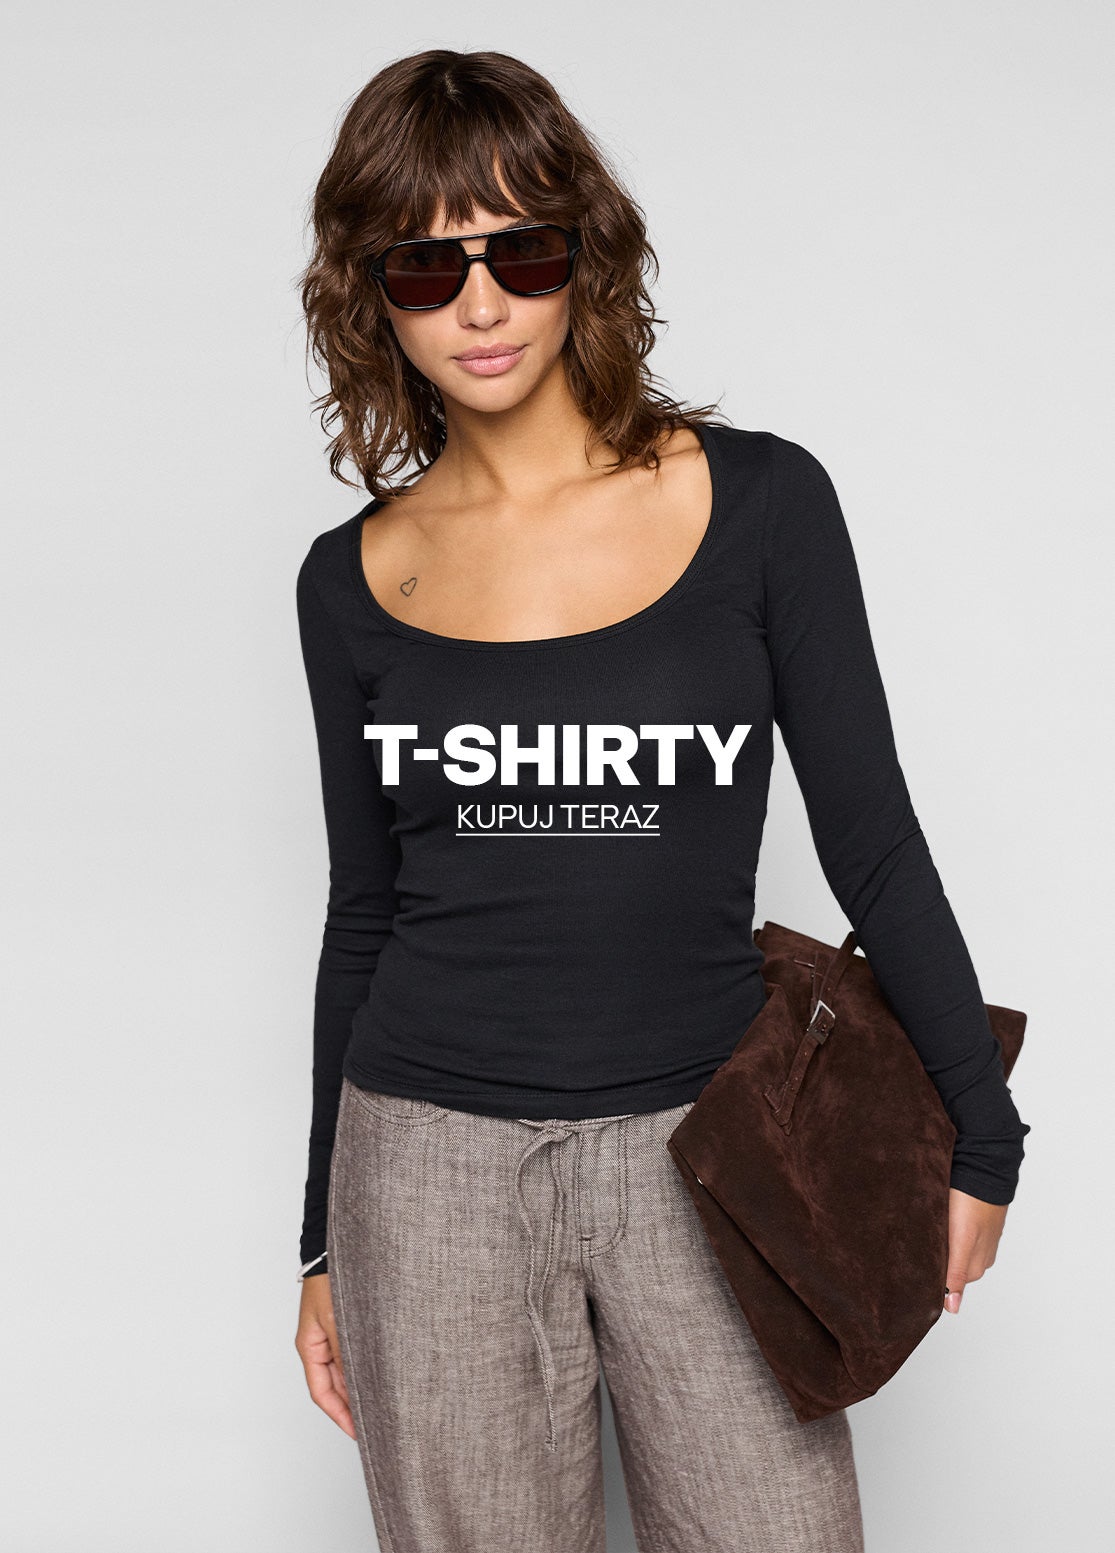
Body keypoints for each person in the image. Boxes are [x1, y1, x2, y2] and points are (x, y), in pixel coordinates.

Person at [291, 48, 1030, 1553]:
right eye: (428, 265)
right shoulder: (351, 580)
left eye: (520, 252)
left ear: (585, 252)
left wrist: (983, 1129)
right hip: (424, 1173)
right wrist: (319, 1238)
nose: (481, 305)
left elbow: (872, 839)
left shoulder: (760, 503)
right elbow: (364, 911)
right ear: (374, 296)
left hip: (711, 1150)